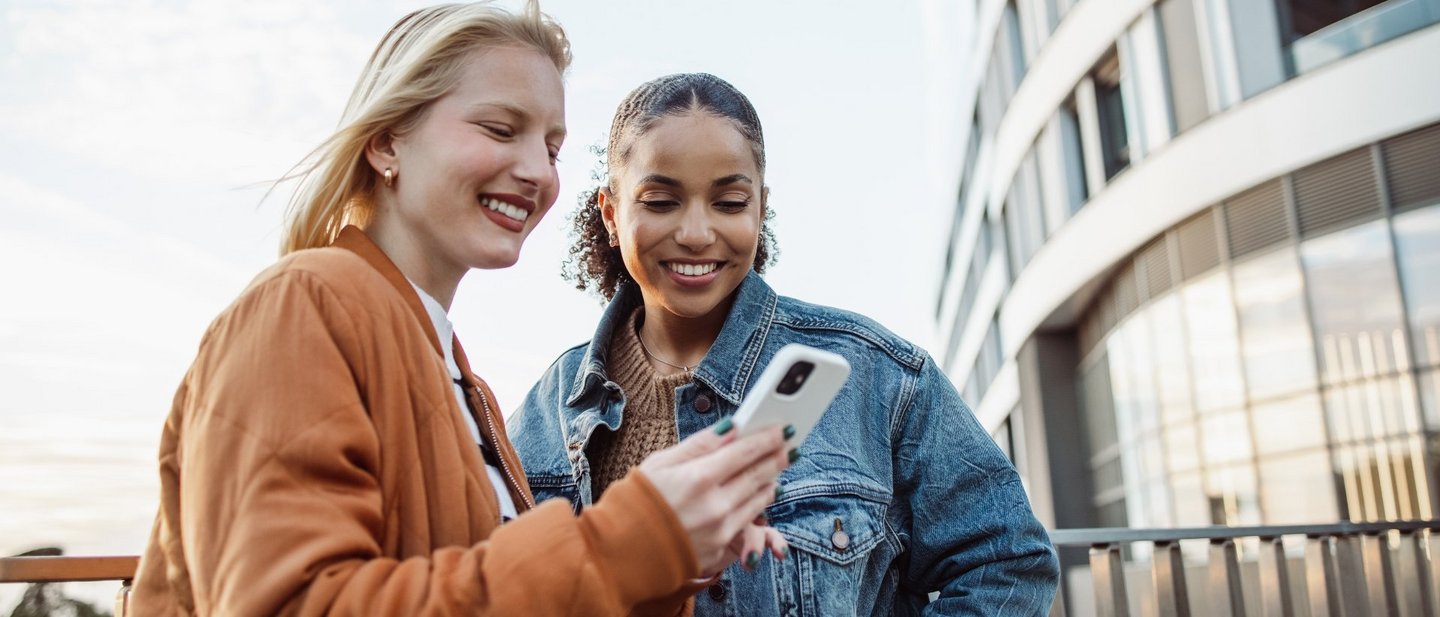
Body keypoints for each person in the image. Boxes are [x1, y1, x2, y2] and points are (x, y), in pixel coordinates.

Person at [129, 6, 792, 616]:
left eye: (552, 147)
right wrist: (630, 538)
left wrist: (667, 563)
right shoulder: (303, 306)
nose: (537, 170)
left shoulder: (456, 374)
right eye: (501, 129)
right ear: (387, 141)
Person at [511, 72, 1061, 615]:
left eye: (728, 202)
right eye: (660, 202)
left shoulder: (877, 377)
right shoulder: (543, 415)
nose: (698, 233)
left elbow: (1008, 562)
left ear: (760, 206)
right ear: (611, 213)